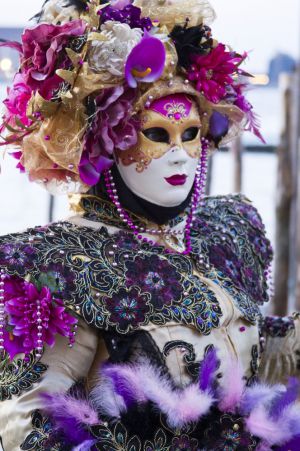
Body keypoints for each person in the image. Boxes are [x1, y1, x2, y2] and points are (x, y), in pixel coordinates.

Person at [0, 1, 300, 450]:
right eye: (156, 135)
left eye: (192, 133)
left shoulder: (219, 234)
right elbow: (28, 427)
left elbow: (248, 350)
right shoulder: (58, 266)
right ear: (103, 142)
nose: (179, 154)